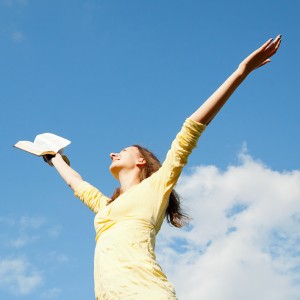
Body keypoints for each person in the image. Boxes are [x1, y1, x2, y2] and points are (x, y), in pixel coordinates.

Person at [44, 35, 281, 299]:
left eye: (123, 151)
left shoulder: (155, 188)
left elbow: (191, 129)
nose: (113, 153)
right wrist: (53, 157)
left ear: (141, 161)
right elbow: (77, 184)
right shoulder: (106, 208)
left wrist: (241, 72)